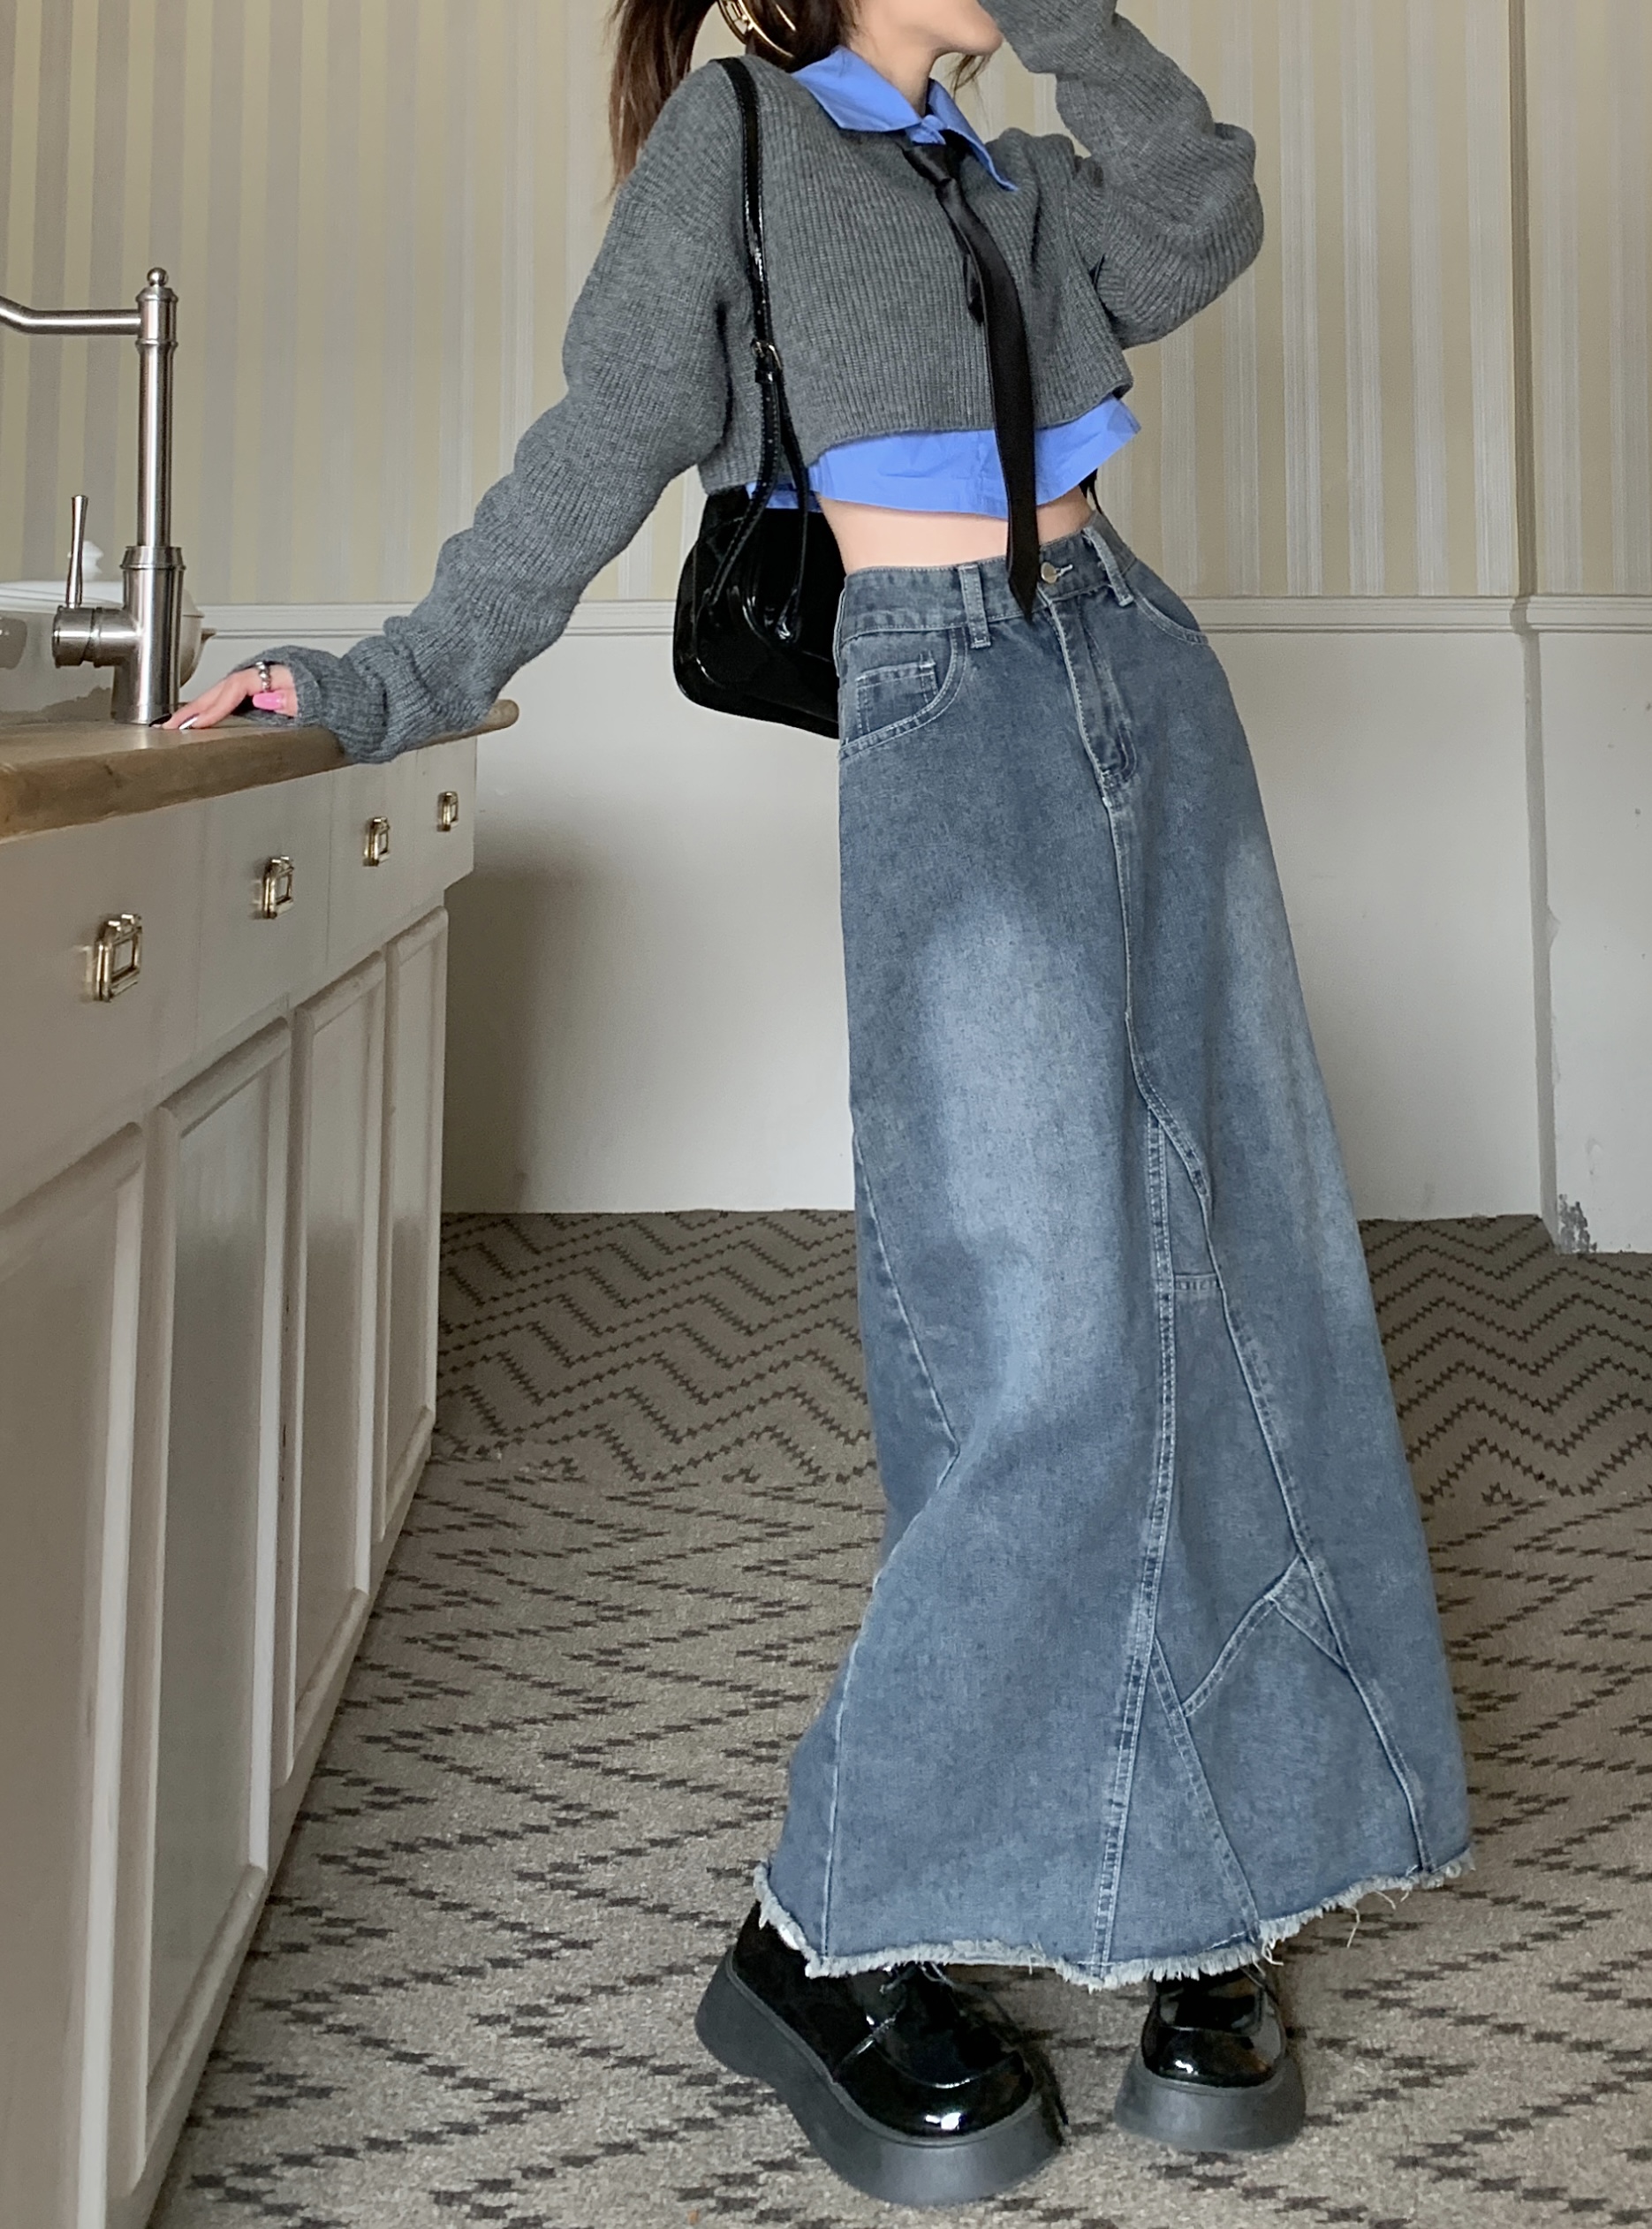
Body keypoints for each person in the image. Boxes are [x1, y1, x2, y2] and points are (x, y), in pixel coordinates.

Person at [169, 0, 1472, 2208]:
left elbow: (1201, 210)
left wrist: (1064, 21)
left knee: (1238, 1294)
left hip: (1141, 673)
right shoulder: (744, 139)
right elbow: (600, 434)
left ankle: (1195, 1882)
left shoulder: (1013, 174)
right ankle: (815, 1928)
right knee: (1046, 1351)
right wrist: (381, 683)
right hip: (951, 711)